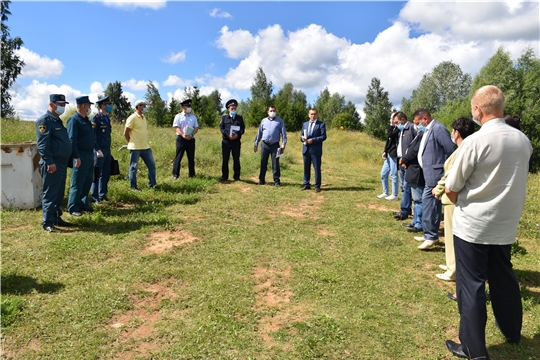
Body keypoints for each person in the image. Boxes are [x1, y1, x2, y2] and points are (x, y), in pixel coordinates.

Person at [444, 85, 532, 359]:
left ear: (478, 110)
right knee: (504, 279)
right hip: (505, 224)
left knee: (471, 287)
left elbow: (452, 187)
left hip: (473, 226)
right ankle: (512, 331)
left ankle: (473, 348)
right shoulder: (523, 141)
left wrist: (464, 203)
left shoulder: (475, 141)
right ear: (501, 107)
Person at [432, 117, 475, 282]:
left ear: (457, 133)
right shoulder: (464, 148)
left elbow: (450, 174)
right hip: (455, 197)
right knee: (453, 234)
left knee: (451, 235)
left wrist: (439, 188)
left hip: (452, 198)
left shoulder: (462, 150)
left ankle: (453, 271)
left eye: (453, 131)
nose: (451, 133)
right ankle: (451, 264)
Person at [413, 109, 455, 250]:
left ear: (425, 118)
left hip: (436, 174)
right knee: (430, 205)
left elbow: (450, 151)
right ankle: (429, 234)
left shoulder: (438, 129)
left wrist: (442, 168)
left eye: (418, 123)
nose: (417, 126)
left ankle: (431, 236)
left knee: (429, 204)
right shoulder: (427, 130)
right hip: (428, 173)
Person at [36, 94, 74, 232]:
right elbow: (42, 145)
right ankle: (48, 223)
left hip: (61, 163)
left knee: (58, 192)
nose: (62, 107)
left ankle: (56, 217)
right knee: (51, 193)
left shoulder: (57, 121)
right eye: (60, 104)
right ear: (52, 104)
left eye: (64, 105)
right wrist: (50, 161)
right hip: (52, 164)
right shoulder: (45, 121)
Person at [67, 96, 95, 217]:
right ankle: (73, 207)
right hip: (80, 155)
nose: (90, 108)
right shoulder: (74, 120)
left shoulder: (87, 120)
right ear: (84, 106)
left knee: (87, 181)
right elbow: (72, 140)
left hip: (89, 154)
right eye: (89, 105)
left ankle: (83, 203)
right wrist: (76, 156)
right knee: (77, 182)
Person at [124, 100, 157, 190]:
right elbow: (126, 132)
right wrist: (130, 142)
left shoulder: (143, 117)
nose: (146, 107)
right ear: (139, 106)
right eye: (144, 106)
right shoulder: (132, 118)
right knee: (133, 167)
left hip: (145, 147)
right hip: (135, 147)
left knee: (152, 165)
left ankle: (152, 184)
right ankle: (133, 187)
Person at [399, 124, 425, 234]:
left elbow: (413, 151)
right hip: (412, 170)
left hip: (417, 170)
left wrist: (404, 159)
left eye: (418, 123)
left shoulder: (422, 134)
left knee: (418, 199)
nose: (416, 125)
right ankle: (415, 221)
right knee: (416, 199)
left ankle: (419, 223)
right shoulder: (419, 134)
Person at [254, 106, 287, 187]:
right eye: (271, 110)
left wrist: (283, 145)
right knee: (263, 162)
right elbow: (259, 133)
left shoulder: (280, 121)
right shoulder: (263, 121)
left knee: (275, 164)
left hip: (275, 146)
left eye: (274, 110)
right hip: (264, 144)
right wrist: (256, 144)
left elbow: (284, 134)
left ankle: (276, 181)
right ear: (267, 112)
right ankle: (261, 179)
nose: (273, 112)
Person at [394, 111, 416, 220]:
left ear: (403, 119)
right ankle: (405, 208)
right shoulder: (401, 130)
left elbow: (415, 146)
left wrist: (407, 160)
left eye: (397, 122)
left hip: (408, 163)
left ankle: (404, 210)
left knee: (407, 187)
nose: (396, 125)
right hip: (401, 161)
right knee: (403, 187)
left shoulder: (412, 128)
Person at [91, 96, 113, 203]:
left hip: (107, 149)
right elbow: (92, 136)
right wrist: (97, 149)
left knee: (106, 173)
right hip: (99, 150)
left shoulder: (107, 118)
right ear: (102, 105)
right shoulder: (95, 118)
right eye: (108, 104)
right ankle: (95, 197)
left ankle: (102, 194)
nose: (110, 106)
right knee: (96, 173)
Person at [300, 108, 327, 192]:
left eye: (314, 114)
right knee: (306, 168)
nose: (313, 115)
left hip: (316, 150)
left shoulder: (321, 124)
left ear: (317, 115)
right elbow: (301, 136)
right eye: (311, 114)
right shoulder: (305, 124)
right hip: (306, 149)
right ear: (309, 115)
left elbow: (323, 136)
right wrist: (302, 138)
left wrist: (313, 140)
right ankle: (306, 184)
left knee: (317, 168)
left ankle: (317, 186)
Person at [172, 99, 199, 179]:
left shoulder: (193, 117)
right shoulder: (178, 116)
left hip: (191, 139)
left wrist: (192, 134)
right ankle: (176, 175)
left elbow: (196, 127)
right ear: (183, 107)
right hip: (181, 139)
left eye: (190, 106)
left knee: (191, 158)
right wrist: (183, 135)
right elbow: (177, 128)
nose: (189, 108)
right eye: (188, 106)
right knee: (178, 157)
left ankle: (192, 175)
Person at [219, 99, 245, 181]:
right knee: (225, 159)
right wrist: (227, 135)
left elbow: (242, 129)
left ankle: (236, 176)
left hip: (236, 142)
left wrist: (237, 134)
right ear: (228, 109)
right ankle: (224, 176)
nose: (233, 110)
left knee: (236, 159)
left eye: (234, 108)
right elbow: (221, 128)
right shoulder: (224, 118)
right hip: (226, 141)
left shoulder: (239, 118)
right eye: (231, 108)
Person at [376, 113, 400, 200]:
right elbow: (388, 140)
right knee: (383, 173)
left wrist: (393, 126)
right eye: (390, 118)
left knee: (393, 174)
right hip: (388, 154)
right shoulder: (391, 128)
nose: (391, 120)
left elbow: (391, 135)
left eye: (392, 118)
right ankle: (385, 192)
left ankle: (395, 194)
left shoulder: (399, 129)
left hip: (394, 154)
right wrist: (385, 151)